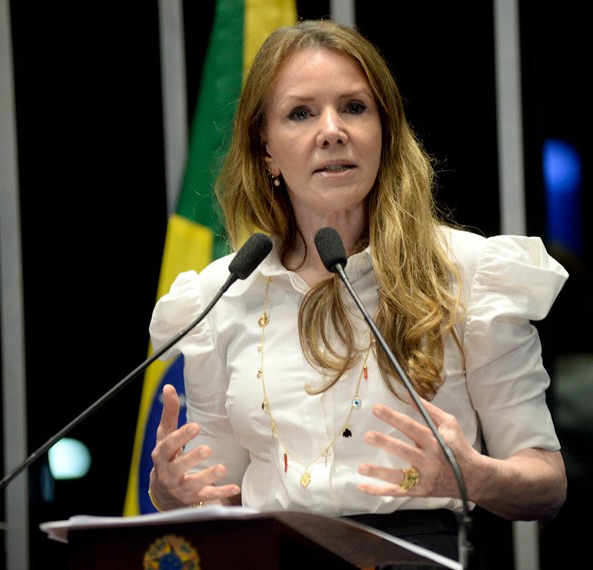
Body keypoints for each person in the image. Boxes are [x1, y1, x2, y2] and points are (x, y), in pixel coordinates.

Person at [147, 18, 568, 566]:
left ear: (384, 132)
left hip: (417, 554)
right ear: (267, 151)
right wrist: (169, 492)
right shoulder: (222, 294)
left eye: (353, 107)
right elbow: (215, 492)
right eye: (300, 113)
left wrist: (473, 475)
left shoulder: (469, 273)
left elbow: (545, 485)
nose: (331, 130)